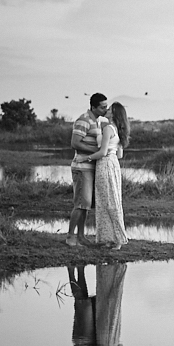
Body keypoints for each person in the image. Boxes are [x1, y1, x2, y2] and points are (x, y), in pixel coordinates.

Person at [76, 102, 129, 249]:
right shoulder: (118, 130)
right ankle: (110, 239)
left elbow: (102, 152)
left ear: (113, 113)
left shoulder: (107, 129)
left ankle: (116, 239)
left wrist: (85, 158)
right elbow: (120, 154)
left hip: (104, 163)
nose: (107, 110)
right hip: (113, 164)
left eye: (109, 109)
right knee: (111, 199)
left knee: (106, 201)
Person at [66, 93, 108, 246]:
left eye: (106, 106)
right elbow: (75, 143)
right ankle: (70, 236)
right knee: (81, 203)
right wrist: (96, 151)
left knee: (86, 204)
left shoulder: (96, 121)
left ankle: (81, 236)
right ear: (94, 107)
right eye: (103, 107)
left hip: (90, 167)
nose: (106, 109)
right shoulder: (83, 120)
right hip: (82, 167)